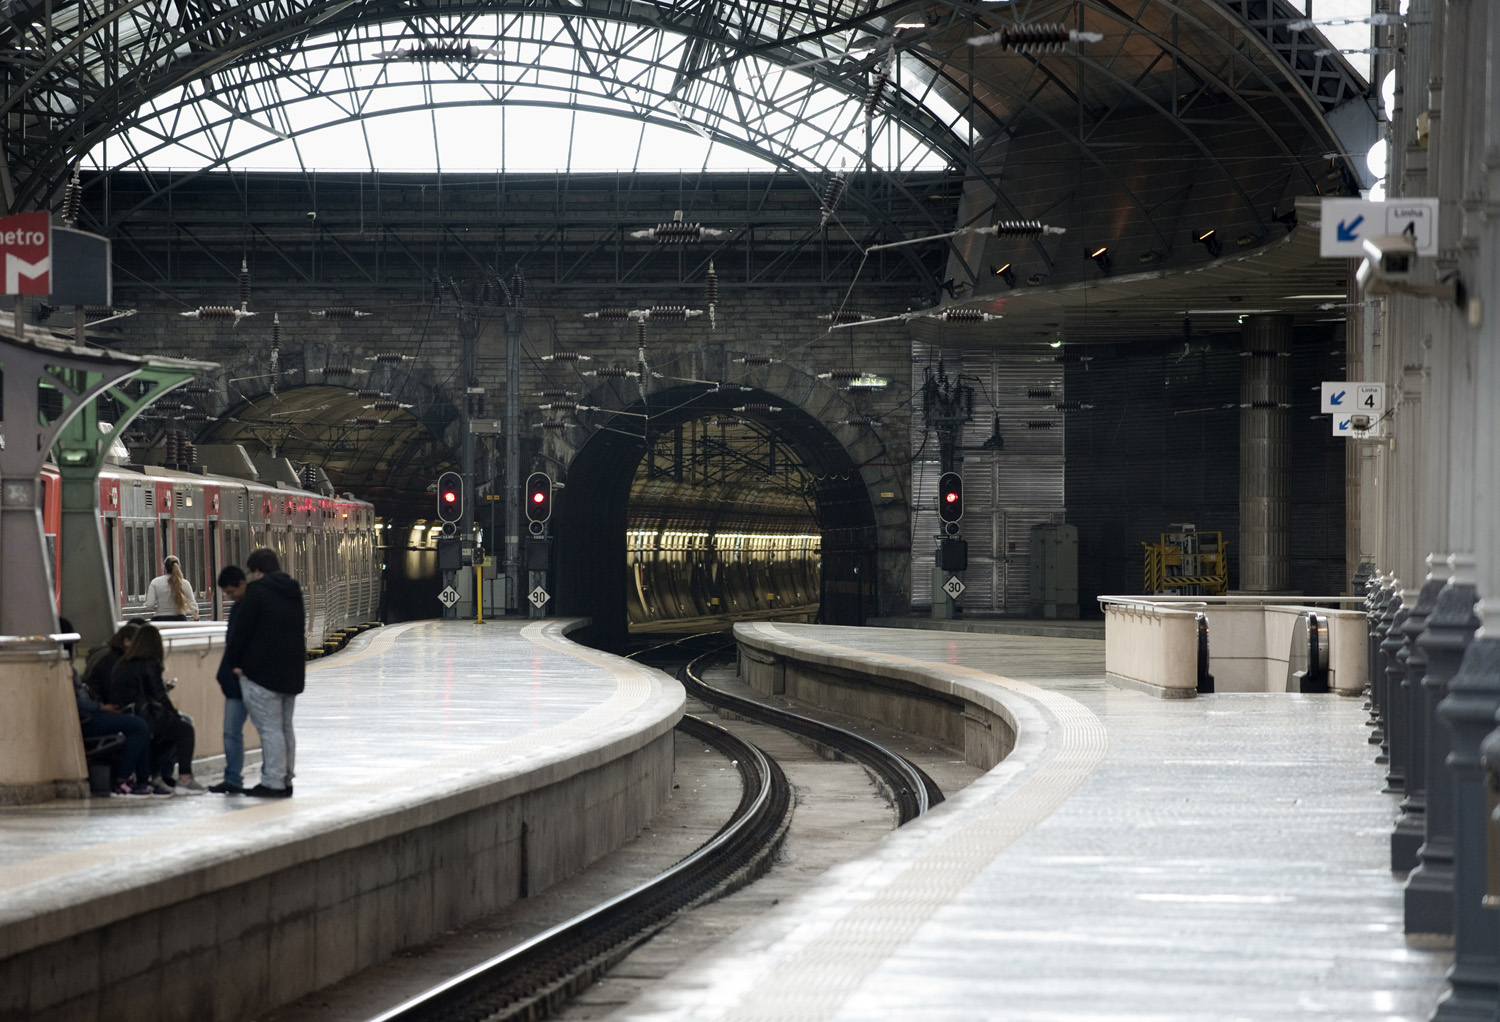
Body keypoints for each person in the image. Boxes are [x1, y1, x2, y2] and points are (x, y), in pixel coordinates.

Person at [223, 547, 305, 798]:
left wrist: (235, 661)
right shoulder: (293, 590)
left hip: (261, 674)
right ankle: (286, 776)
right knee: (285, 728)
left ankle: (273, 782)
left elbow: (242, 632)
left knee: (270, 729)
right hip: (291, 672)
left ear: (256, 570)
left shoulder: (256, 592)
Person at [107, 623, 207, 795]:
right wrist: (174, 715)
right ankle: (184, 778)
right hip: (145, 715)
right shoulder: (149, 663)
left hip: (127, 713)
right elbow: (159, 695)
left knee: (167, 735)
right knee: (184, 729)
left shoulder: (122, 663)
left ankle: (155, 775)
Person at [63, 618, 154, 796]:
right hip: (88, 718)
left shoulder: (72, 665)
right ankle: (124, 778)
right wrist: (101, 707)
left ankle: (142, 779)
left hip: (89, 714)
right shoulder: (112, 660)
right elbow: (78, 702)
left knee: (140, 724)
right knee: (140, 725)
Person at [210, 565, 250, 794]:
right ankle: (233, 778)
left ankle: (273, 776)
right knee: (231, 731)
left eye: (231, 592)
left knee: (268, 730)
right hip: (234, 683)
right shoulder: (236, 608)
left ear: (242, 583)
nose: (230, 597)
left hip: (255, 680)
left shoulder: (255, 606)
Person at [145, 555, 199, 621]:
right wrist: (195, 617)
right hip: (179, 619)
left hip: (160, 619)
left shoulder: (155, 582)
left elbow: (150, 605)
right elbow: (192, 604)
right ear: (179, 566)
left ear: (164, 567)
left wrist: (161, 608)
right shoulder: (184, 583)